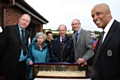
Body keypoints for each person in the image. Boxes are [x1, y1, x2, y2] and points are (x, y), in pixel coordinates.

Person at [91, 3, 120, 80]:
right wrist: (86, 61)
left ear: (108, 13)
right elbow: (100, 57)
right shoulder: (102, 35)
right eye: (93, 16)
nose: (95, 18)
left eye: (98, 14)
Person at [0, 13, 31, 80]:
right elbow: (1, 46)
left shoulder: (27, 33)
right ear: (19, 19)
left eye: (27, 21)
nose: (25, 22)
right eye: (23, 20)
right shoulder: (9, 30)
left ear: (29, 23)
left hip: (22, 65)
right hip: (11, 66)